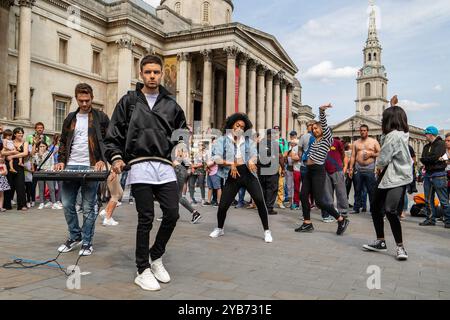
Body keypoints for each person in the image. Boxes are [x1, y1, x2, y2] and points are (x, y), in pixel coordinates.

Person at [105, 55, 187, 292]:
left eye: (156, 72)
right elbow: (114, 134)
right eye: (148, 72)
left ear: (161, 74)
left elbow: (181, 130)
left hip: (164, 166)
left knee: (172, 214)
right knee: (146, 218)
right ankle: (142, 270)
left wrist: (180, 146)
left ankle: (155, 256)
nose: (152, 76)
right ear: (141, 73)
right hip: (139, 166)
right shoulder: (128, 101)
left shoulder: (171, 103)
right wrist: (117, 157)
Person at [55, 83, 110, 256]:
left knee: (88, 207)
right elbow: (63, 142)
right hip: (71, 166)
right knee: (67, 204)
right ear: (76, 99)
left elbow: (109, 141)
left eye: (87, 100)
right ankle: (74, 236)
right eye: (81, 101)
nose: (84, 104)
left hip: (91, 166)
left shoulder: (101, 117)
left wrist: (102, 160)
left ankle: (87, 241)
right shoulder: (71, 118)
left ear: (92, 98)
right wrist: (61, 161)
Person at [209, 113, 273, 243]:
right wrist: (230, 163)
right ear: (232, 125)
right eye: (237, 125)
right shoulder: (222, 140)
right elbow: (216, 158)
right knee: (223, 206)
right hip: (232, 175)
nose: (239, 128)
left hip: (248, 173)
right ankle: (219, 228)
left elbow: (255, 155)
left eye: (242, 127)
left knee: (260, 201)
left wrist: (251, 161)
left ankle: (267, 231)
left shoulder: (248, 141)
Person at [363, 103, 412, 261]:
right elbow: (385, 144)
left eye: (384, 118)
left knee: (389, 210)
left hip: (395, 177)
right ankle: (381, 242)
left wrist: (378, 164)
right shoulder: (402, 133)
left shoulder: (394, 136)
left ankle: (399, 246)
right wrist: (392, 106)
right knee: (376, 208)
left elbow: (384, 157)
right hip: (389, 177)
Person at [295, 104, 350, 235]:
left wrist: (321, 111)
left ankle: (341, 219)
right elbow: (308, 154)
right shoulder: (315, 141)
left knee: (320, 201)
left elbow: (324, 124)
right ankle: (307, 223)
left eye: (316, 128)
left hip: (318, 171)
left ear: (322, 129)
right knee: (303, 195)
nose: (314, 130)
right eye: (312, 129)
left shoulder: (327, 139)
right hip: (309, 170)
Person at [418, 126, 450, 228]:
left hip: (439, 175)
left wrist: (430, 159)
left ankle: (448, 221)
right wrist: (431, 159)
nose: (425, 136)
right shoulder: (426, 146)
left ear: (430, 134)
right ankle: (430, 219)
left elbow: (434, 157)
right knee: (428, 199)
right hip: (428, 175)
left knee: (443, 200)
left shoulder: (441, 144)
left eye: (426, 134)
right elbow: (423, 158)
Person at [349, 125, 381, 214]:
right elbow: (352, 156)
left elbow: (380, 152)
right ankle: (356, 208)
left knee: (371, 191)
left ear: (367, 131)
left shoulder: (374, 141)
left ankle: (373, 209)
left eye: (364, 130)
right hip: (358, 169)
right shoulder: (356, 143)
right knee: (357, 190)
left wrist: (371, 154)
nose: (363, 132)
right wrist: (351, 168)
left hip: (369, 169)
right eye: (361, 130)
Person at [172, 139, 202, 224]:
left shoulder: (180, 146)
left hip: (178, 171)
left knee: (178, 196)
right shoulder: (183, 146)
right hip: (180, 170)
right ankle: (172, 214)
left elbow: (182, 158)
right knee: (175, 195)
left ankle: (194, 213)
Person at [321, 137, 349, 222]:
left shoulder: (337, 142)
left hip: (337, 170)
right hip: (325, 171)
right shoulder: (321, 143)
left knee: (341, 193)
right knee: (327, 194)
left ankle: (343, 212)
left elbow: (342, 154)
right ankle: (331, 212)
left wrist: (342, 167)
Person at [2, 127, 29, 211]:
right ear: (14, 134)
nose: (21, 134)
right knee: (9, 185)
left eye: (22, 133)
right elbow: (2, 152)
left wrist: (12, 156)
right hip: (9, 165)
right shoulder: (10, 141)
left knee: (20, 185)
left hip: (19, 166)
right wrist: (12, 152)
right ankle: (6, 205)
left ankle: (22, 205)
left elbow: (25, 153)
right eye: (19, 133)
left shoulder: (25, 143)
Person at [258, 129, 284, 216]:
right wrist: (283, 168)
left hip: (261, 170)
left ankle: (263, 207)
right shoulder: (275, 144)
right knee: (272, 189)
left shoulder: (260, 143)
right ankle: (269, 208)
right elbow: (280, 157)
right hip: (272, 170)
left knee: (263, 188)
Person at [33, 142, 60, 210]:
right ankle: (41, 202)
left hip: (48, 171)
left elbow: (52, 163)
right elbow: (37, 163)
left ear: (46, 146)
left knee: (51, 188)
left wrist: (50, 170)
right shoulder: (36, 154)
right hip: (40, 171)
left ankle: (54, 203)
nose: (42, 148)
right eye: (40, 146)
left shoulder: (49, 153)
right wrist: (40, 156)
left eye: (43, 146)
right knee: (41, 188)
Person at [205, 137, 222, 208]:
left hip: (216, 171)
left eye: (216, 142)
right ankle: (208, 201)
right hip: (209, 171)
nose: (214, 143)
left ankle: (219, 202)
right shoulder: (210, 151)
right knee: (210, 187)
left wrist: (209, 164)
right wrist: (207, 167)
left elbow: (217, 161)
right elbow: (207, 160)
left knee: (218, 187)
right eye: (213, 142)